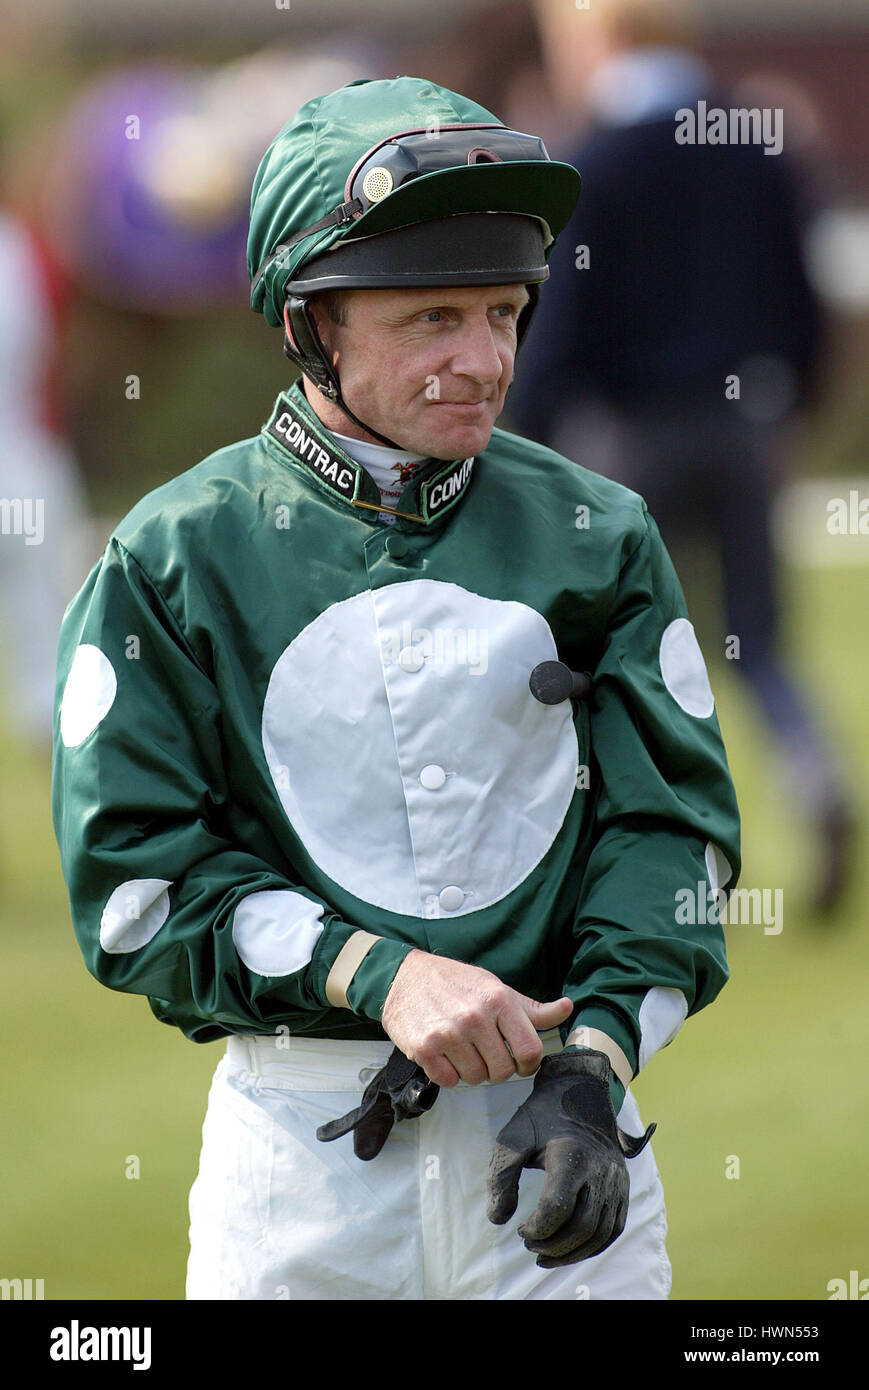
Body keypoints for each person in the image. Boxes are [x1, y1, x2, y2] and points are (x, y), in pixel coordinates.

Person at [51, 76, 740, 1301]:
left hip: (562, 1144)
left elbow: (672, 835)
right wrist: (378, 971)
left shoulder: (600, 532)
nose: (484, 361)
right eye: (431, 319)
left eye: (502, 312)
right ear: (311, 321)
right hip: (300, 1175)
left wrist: (590, 1065)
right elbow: (136, 891)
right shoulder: (170, 558)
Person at [510, 0, 853, 914]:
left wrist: (516, 443)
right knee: (758, 640)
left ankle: (638, 864)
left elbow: (561, 327)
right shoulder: (756, 147)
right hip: (745, 428)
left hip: (626, 443)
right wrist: (796, 409)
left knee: (616, 654)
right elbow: (805, 294)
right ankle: (815, 779)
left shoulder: (591, 161)